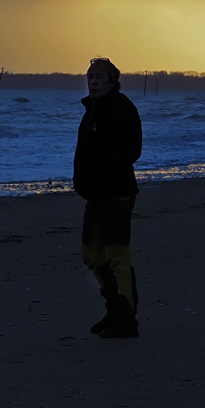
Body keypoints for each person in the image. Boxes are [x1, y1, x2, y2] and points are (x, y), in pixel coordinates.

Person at [74, 56, 143, 338]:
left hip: (117, 194)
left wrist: (105, 177)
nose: (93, 81)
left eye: (99, 77)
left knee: (117, 255)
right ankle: (115, 309)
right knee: (90, 254)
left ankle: (127, 319)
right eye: (90, 77)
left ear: (113, 81)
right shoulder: (92, 108)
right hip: (95, 195)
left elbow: (132, 151)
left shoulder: (122, 108)